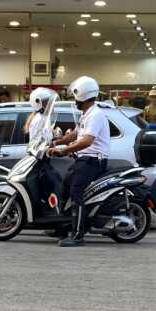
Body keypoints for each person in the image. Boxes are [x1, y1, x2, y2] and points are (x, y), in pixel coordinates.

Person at [48, 76, 110, 248]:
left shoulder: (95, 115)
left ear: (83, 96)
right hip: (84, 160)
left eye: (76, 97)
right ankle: (63, 227)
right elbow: (75, 134)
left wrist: (65, 150)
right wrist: (56, 142)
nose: (75, 101)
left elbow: (87, 141)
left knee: (76, 192)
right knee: (64, 187)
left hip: (93, 161)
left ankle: (77, 235)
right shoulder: (86, 114)